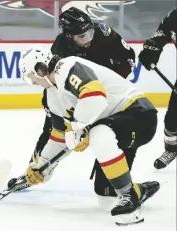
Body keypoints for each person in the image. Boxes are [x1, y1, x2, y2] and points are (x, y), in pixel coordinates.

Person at [18, 46, 160, 226]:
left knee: (98, 133)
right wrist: (42, 166)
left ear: (41, 68)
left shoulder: (67, 66)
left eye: (32, 78)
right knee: (106, 196)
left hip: (140, 115)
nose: (35, 84)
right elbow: (60, 137)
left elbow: (95, 96)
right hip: (116, 126)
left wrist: (78, 127)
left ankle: (129, 199)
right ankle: (137, 191)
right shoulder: (52, 97)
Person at [8, 7, 137, 198]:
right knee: (52, 127)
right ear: (69, 36)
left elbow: (128, 57)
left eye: (89, 33)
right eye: (82, 36)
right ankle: (37, 169)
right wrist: (53, 109)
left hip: (104, 93)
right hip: (77, 94)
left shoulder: (103, 32)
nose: (89, 39)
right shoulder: (60, 47)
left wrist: (110, 84)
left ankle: (120, 181)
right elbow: (49, 83)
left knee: (113, 132)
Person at [138, 8, 177, 169]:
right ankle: (172, 150)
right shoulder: (175, 16)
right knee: (172, 120)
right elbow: (162, 33)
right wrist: (152, 49)